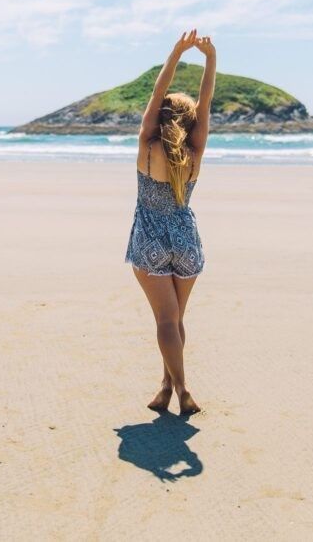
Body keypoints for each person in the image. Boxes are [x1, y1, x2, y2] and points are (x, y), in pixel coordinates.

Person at [124, 28, 216, 414]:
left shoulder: (147, 146)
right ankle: (165, 386)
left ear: (160, 117)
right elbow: (206, 103)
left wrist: (176, 53)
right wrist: (211, 59)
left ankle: (182, 390)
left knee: (165, 320)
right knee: (176, 320)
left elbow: (155, 96)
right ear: (191, 123)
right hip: (186, 239)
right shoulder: (194, 151)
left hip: (150, 238)